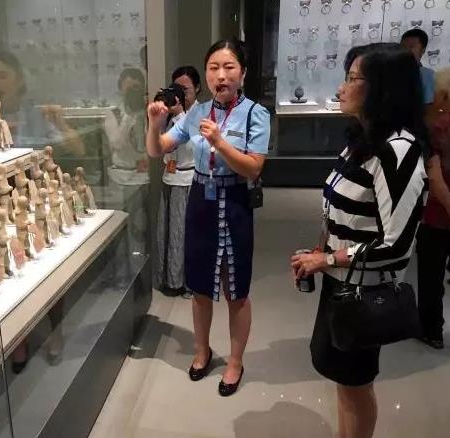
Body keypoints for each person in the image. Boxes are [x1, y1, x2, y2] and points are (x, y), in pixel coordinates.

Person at [291, 43, 429, 438]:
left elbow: (397, 246)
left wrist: (328, 259)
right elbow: (339, 208)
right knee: (344, 379)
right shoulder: (362, 139)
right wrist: (320, 251)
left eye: (353, 79)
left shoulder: (398, 150)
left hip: (363, 292)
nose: (341, 88)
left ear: (383, 88)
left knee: (356, 382)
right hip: (341, 284)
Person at [146, 38, 270, 397]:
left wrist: (219, 142)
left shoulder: (256, 114)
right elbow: (157, 149)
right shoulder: (197, 112)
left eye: (229, 67)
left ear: (243, 73)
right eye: (214, 68)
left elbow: (253, 168)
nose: (221, 75)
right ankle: (202, 351)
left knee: (236, 289)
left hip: (235, 201)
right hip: (201, 198)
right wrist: (154, 124)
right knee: (199, 286)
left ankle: (235, 362)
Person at [155, 66, 201, 300]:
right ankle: (169, 279)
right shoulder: (170, 113)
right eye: (176, 88)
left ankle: (188, 281)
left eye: (186, 89)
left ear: (197, 89)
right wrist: (158, 118)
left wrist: (182, 114)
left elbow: (196, 147)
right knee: (167, 231)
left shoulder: (201, 113)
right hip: (170, 177)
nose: (180, 94)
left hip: (188, 180)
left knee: (185, 233)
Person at [0, 50, 84, 155]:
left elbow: (78, 150)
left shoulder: (36, 115)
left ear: (19, 79)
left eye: (2, 76)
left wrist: (61, 125)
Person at [417, 67, 450, 349]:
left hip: (437, 215)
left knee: (431, 275)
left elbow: (436, 180)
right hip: (438, 212)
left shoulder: (434, 127)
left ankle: (431, 330)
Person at [104, 68, 150, 253]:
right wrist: (128, 117)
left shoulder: (149, 112)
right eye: (129, 88)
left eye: (136, 88)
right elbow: (116, 143)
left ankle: (141, 258)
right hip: (120, 179)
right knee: (121, 226)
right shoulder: (113, 114)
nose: (132, 93)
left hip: (143, 177)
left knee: (142, 227)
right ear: (120, 88)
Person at [401, 29, 435, 106]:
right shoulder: (390, 73)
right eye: (403, 47)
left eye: (411, 47)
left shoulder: (428, 76)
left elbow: (428, 106)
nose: (405, 51)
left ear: (423, 50)